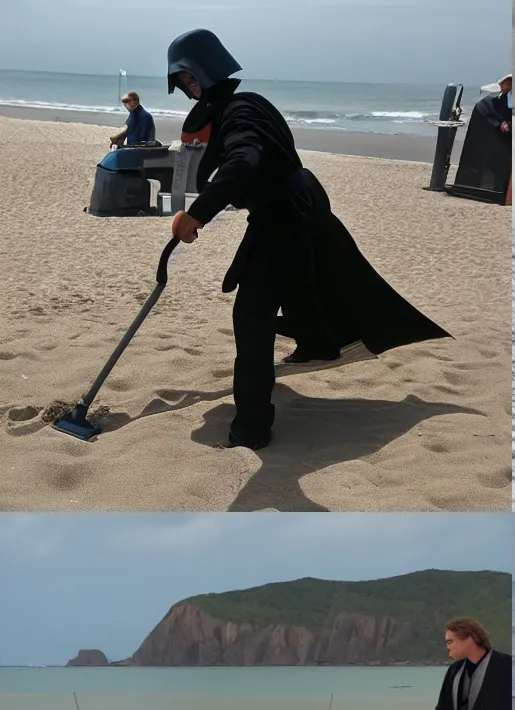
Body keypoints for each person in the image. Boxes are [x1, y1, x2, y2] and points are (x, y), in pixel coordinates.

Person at [164, 28, 450, 450]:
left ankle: (252, 429)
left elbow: (245, 161)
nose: (189, 89)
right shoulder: (244, 105)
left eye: (190, 78)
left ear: (208, 70)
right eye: (184, 83)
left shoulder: (240, 111)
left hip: (285, 218)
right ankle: (311, 345)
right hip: (293, 211)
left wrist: (197, 213)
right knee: (298, 293)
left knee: (252, 319)